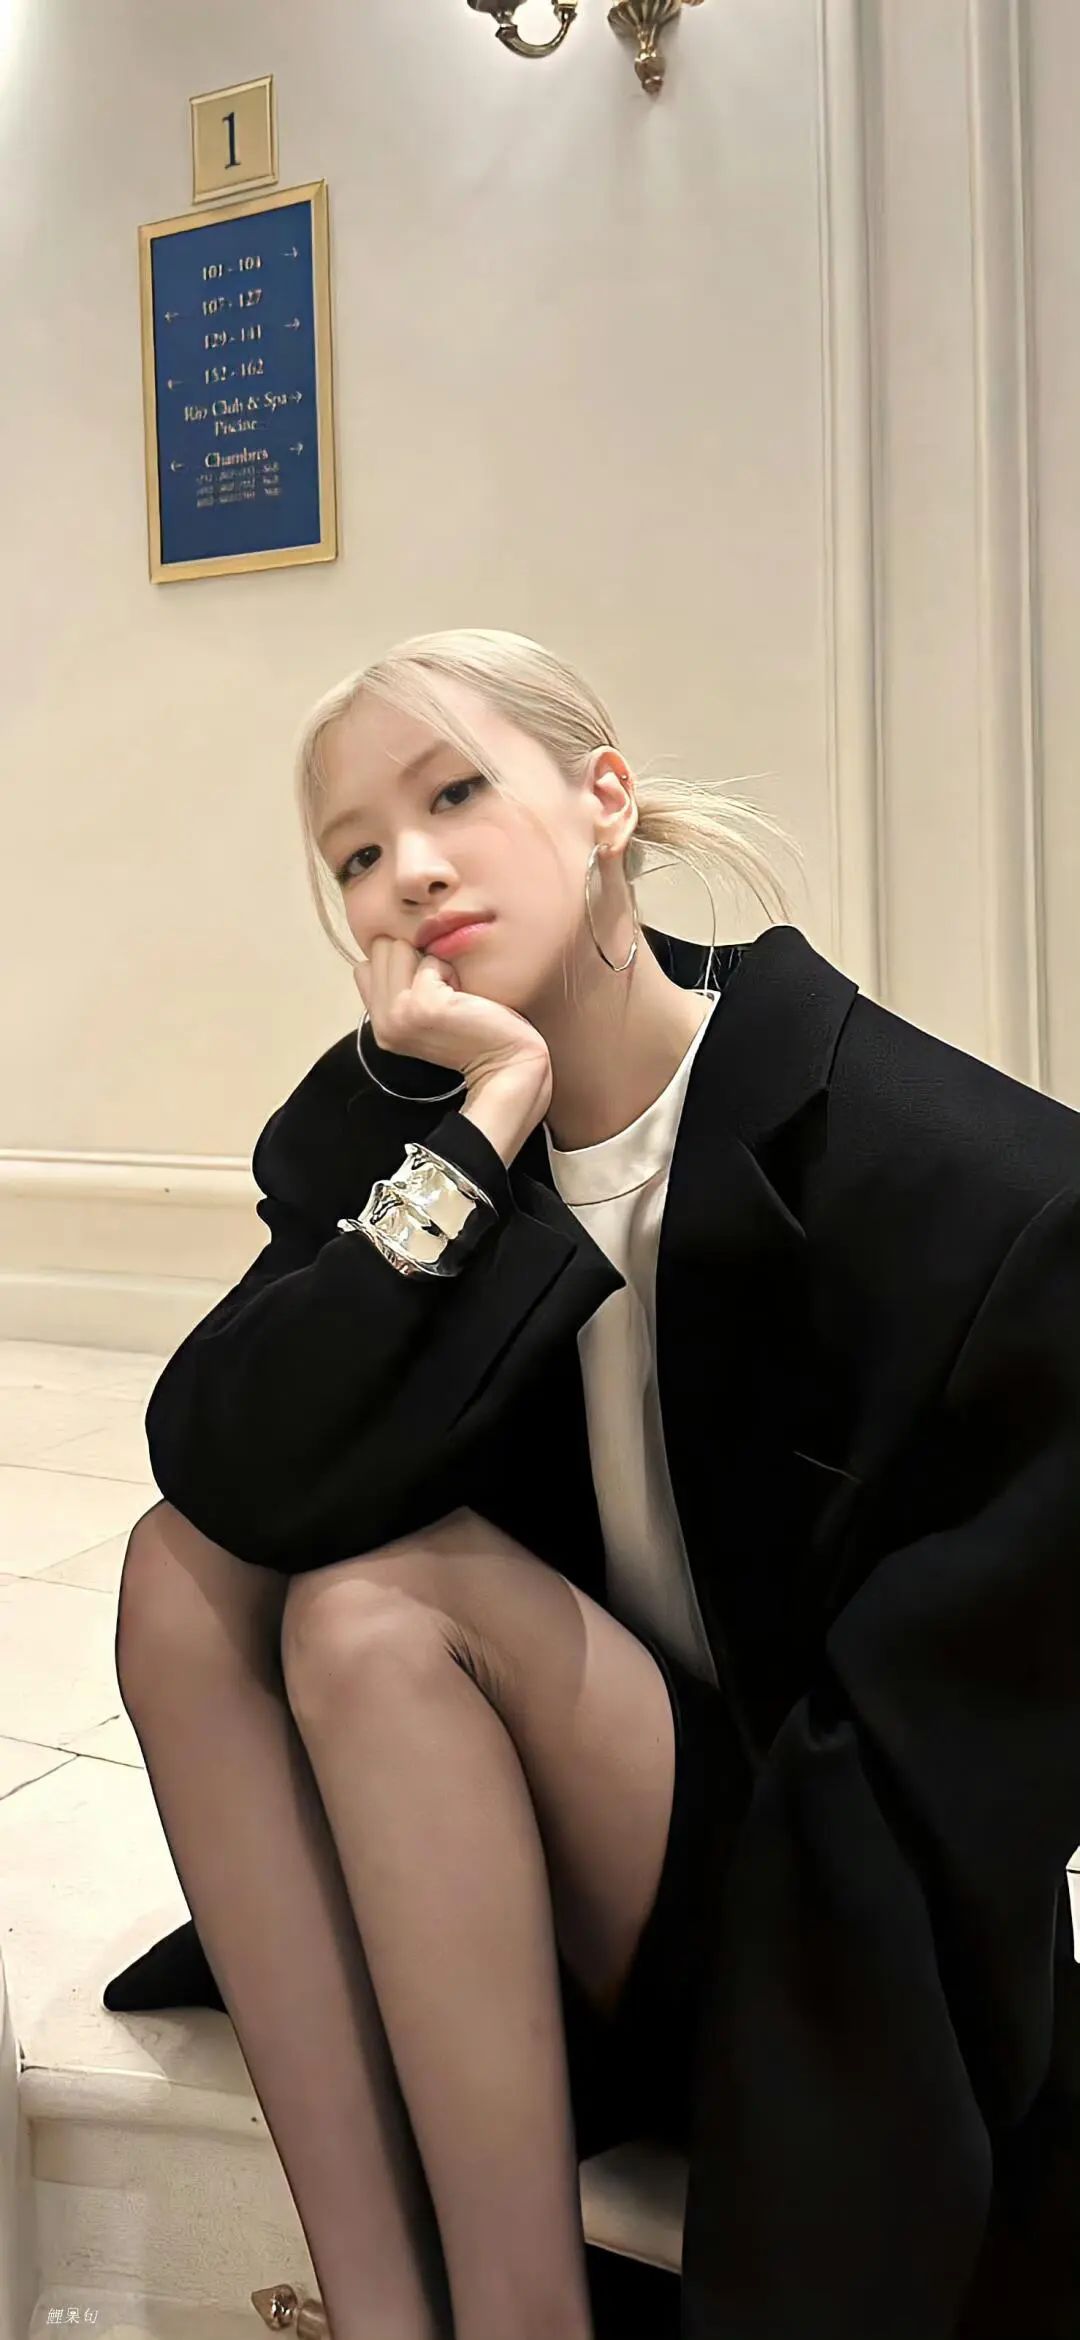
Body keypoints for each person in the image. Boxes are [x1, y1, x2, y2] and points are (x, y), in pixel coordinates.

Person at [104, 629, 1080, 2340]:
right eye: (355, 854)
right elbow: (224, 1466)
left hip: (815, 1923)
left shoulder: (961, 1178)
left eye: (455, 794)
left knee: (372, 1616)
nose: (410, 871)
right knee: (184, 1576)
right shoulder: (408, 1128)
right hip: (489, 1854)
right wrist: (484, 1122)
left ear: (603, 799)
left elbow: (969, 1766)